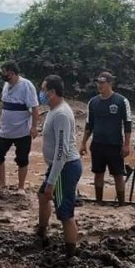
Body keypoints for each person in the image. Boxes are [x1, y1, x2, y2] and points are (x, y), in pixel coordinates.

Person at [37, 75, 83, 257]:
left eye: (43, 90)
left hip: (65, 167)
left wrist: (52, 181)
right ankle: (41, 231)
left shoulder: (62, 114)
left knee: (65, 213)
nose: (41, 94)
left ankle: (70, 252)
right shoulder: (53, 111)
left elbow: (61, 151)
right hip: (59, 166)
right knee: (42, 196)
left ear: (52, 92)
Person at [79, 71, 133, 204]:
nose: (99, 85)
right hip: (97, 144)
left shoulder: (121, 101)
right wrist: (83, 143)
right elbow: (88, 125)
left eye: (102, 83)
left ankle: (121, 203)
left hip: (115, 145)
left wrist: (126, 145)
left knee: (118, 175)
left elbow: (127, 124)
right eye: (98, 82)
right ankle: (98, 201)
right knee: (98, 173)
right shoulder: (93, 102)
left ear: (110, 83)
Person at [0, 61, 39, 194]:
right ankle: (2, 183)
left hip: (23, 130)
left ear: (11, 72)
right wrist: (0, 124)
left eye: (4, 72)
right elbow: (5, 106)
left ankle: (21, 187)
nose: (2, 75)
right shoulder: (6, 85)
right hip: (5, 130)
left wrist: (34, 127)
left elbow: (34, 108)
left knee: (22, 159)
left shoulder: (26, 85)